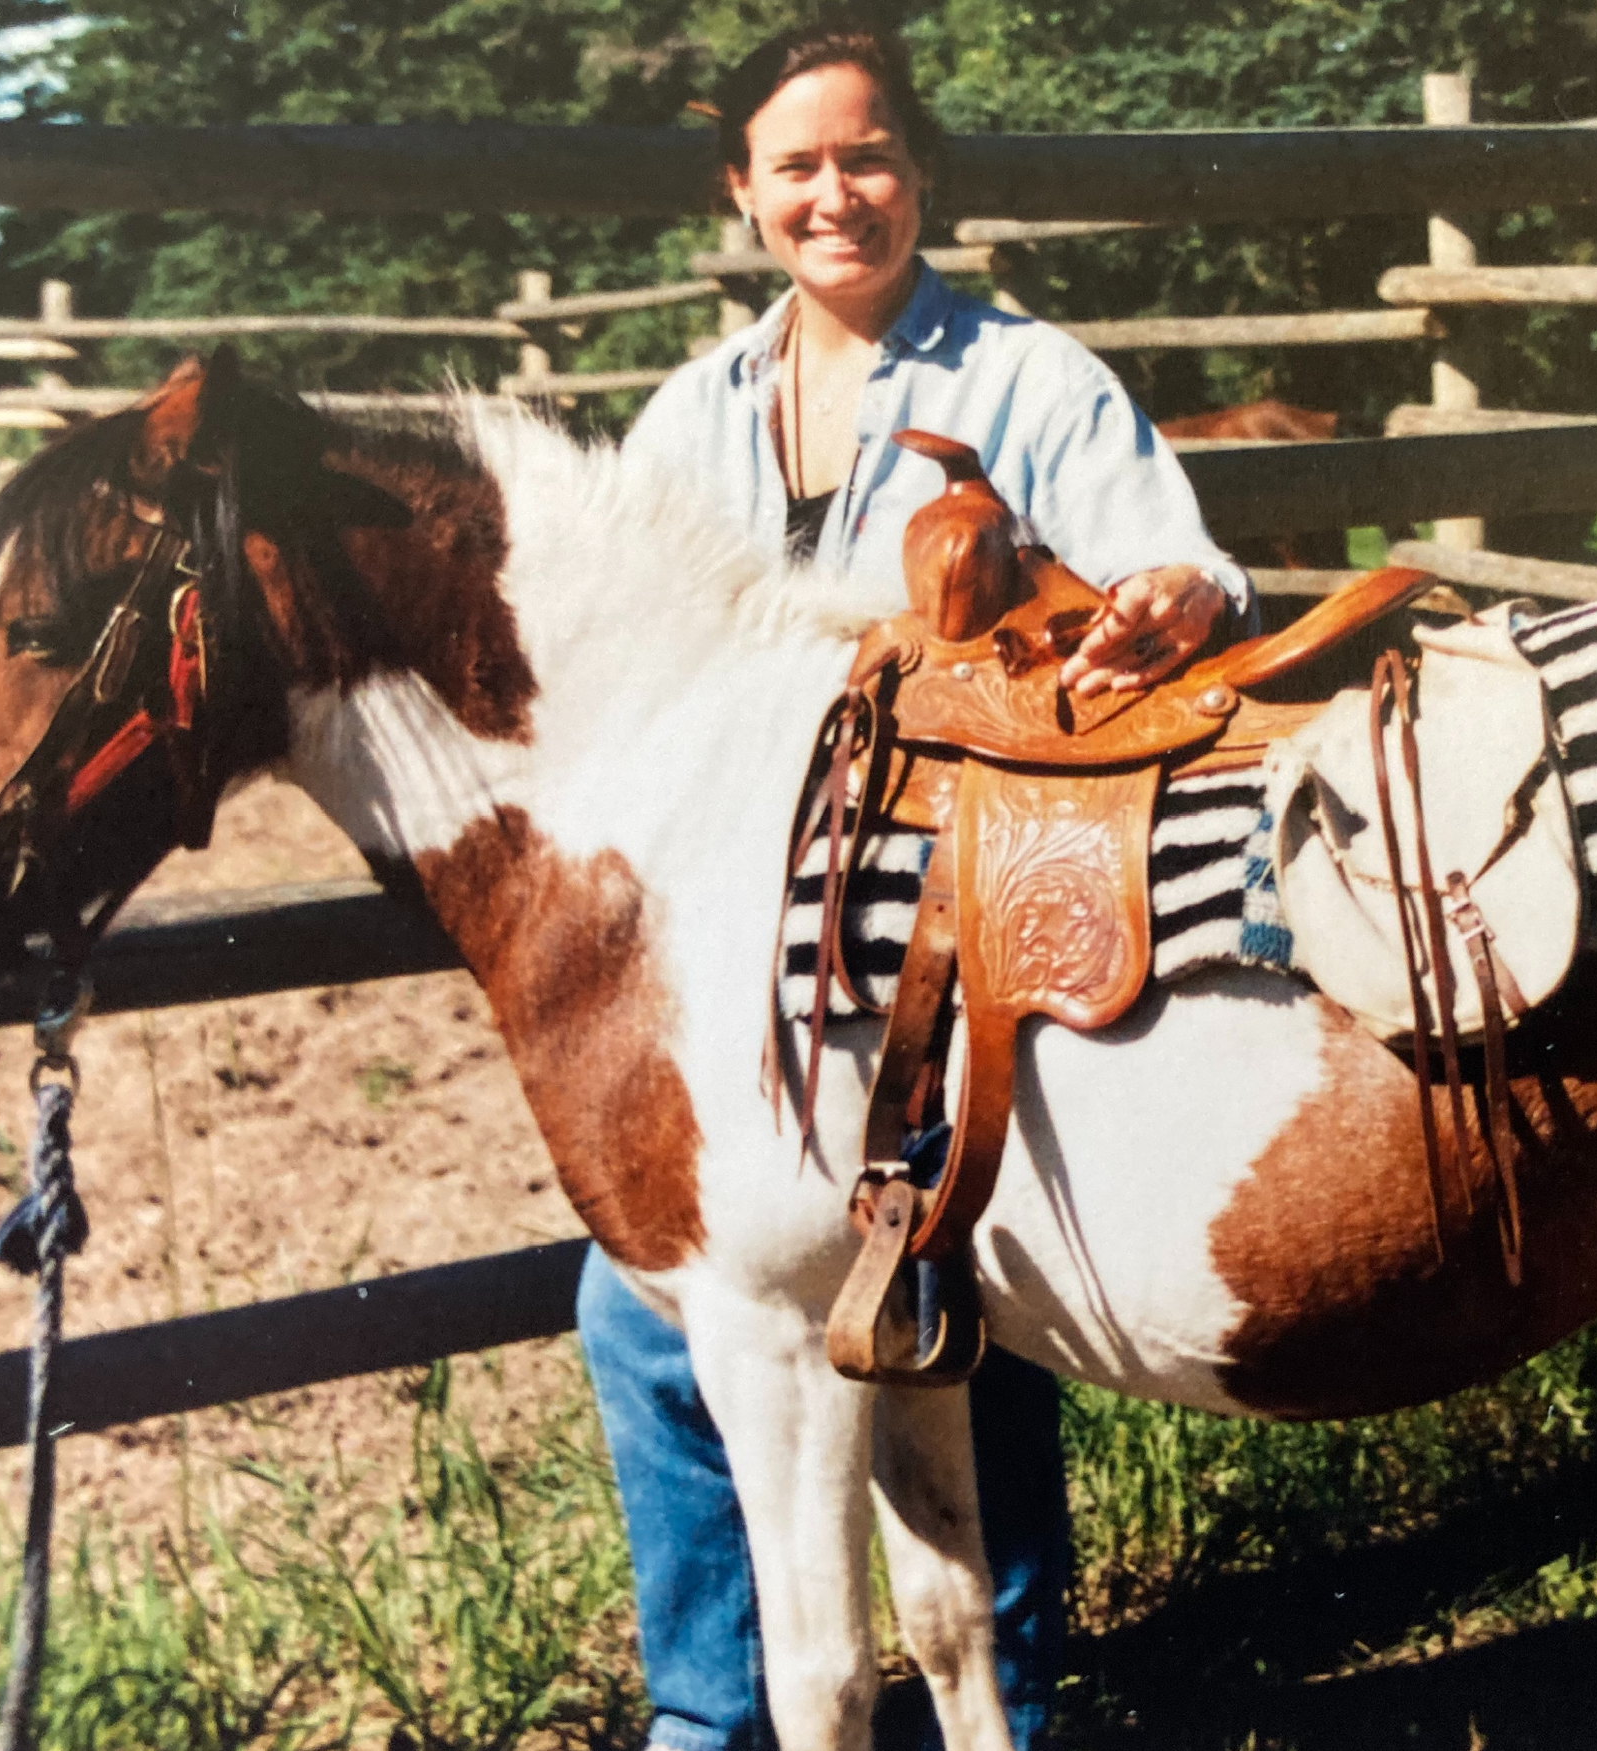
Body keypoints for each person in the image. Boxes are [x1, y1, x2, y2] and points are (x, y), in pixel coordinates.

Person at [578, 18, 1252, 1751]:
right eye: (794, 165)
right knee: (644, 1302)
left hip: (953, 949)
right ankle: (719, 1714)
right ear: (741, 195)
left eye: (864, 156)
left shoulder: (1027, 378)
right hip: (751, 979)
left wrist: (1171, 590)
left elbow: (1174, 549)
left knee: (961, 1283)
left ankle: (996, 1704)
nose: (835, 194)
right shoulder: (689, 419)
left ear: (920, 172)